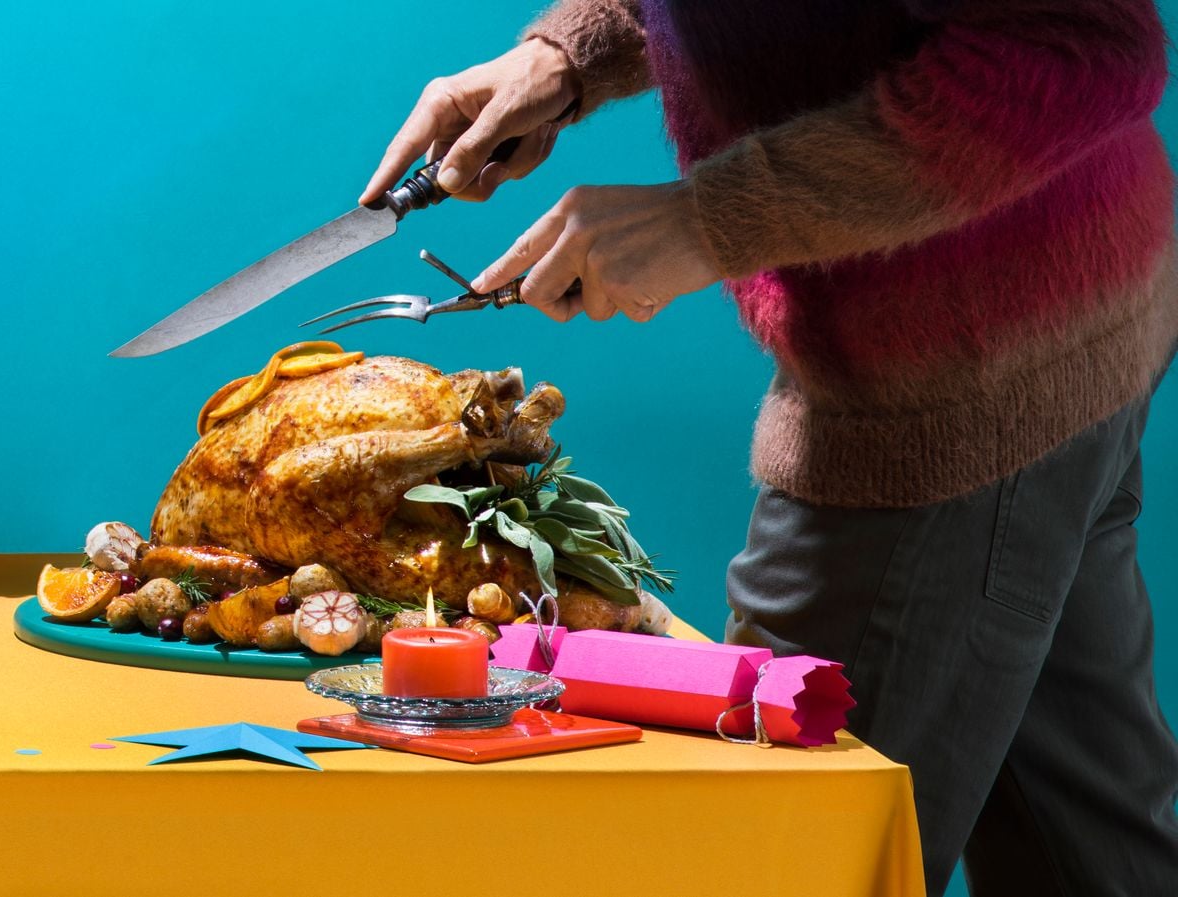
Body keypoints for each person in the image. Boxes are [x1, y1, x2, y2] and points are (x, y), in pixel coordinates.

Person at [360, 1, 1178, 893]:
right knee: (1090, 847)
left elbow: (1081, 50)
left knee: (767, 850)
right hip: (1084, 321)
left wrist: (709, 217)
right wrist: (572, 54)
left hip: (952, 392)